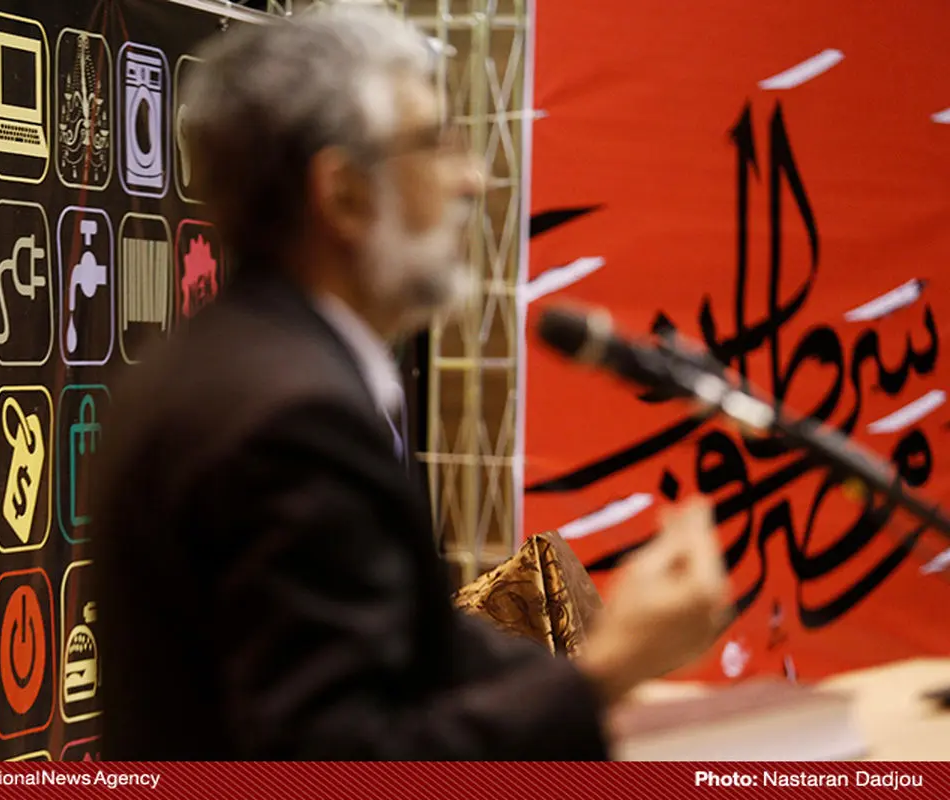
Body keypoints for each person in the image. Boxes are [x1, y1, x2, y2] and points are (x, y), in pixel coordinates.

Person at [94, 5, 731, 760]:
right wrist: (605, 673)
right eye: (436, 143)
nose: (474, 179)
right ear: (344, 195)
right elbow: (340, 760)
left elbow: (416, 645)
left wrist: (613, 685)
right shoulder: (290, 418)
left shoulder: (247, 363)